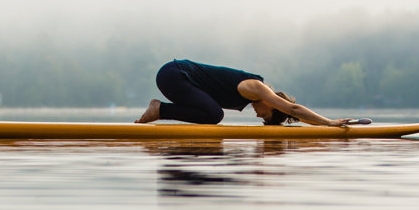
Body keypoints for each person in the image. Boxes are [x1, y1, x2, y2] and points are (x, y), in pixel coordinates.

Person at [135, 59, 349, 127]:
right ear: (273, 104)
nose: (257, 115)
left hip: (174, 79)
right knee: (215, 115)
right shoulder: (257, 88)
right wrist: (330, 123)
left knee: (212, 114)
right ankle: (160, 109)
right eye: (264, 114)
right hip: (173, 75)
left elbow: (294, 114)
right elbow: (293, 108)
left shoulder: (257, 95)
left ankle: (161, 109)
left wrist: (318, 125)